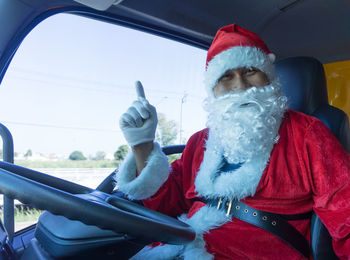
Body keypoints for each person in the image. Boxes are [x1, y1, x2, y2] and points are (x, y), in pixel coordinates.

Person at [115, 24, 350, 259]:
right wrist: (142, 144)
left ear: (268, 77)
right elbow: (165, 207)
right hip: (182, 247)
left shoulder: (308, 134)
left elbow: (345, 214)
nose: (240, 86)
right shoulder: (200, 141)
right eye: (226, 76)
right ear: (213, 89)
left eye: (250, 71)